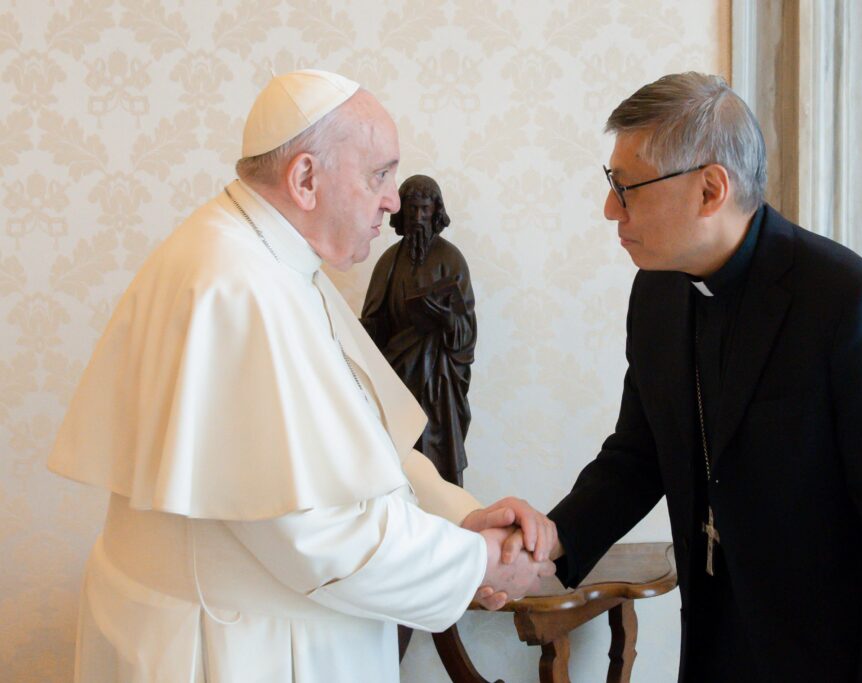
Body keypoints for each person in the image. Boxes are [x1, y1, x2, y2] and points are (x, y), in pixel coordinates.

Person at [48, 69, 557, 683]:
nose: (393, 201)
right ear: (306, 179)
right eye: (379, 175)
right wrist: (475, 561)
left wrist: (455, 515)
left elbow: (362, 441)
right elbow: (319, 533)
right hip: (233, 651)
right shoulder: (236, 287)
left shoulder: (276, 262)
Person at [545, 73, 862, 681]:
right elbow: (638, 456)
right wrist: (553, 541)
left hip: (844, 656)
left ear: (710, 189)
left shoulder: (851, 304)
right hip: (718, 643)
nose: (611, 209)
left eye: (626, 187)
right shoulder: (657, 293)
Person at [362, 174, 476, 486]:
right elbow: (373, 322)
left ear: (436, 211)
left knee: (438, 460)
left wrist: (445, 319)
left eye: (424, 209)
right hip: (397, 380)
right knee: (400, 458)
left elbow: (466, 330)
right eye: (411, 209)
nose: (417, 217)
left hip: (438, 384)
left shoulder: (451, 260)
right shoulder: (388, 262)